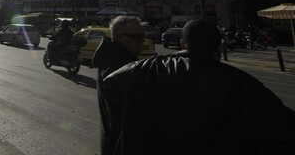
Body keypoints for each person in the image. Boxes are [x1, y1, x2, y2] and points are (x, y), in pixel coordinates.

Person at [103, 19, 295, 155]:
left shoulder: (146, 70)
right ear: (219, 48)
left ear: (181, 43)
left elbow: (110, 85)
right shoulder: (245, 86)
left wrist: (134, 131)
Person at [91, 15, 144, 155]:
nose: (142, 41)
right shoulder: (115, 68)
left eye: (142, 35)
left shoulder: (119, 59)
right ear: (120, 37)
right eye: (137, 37)